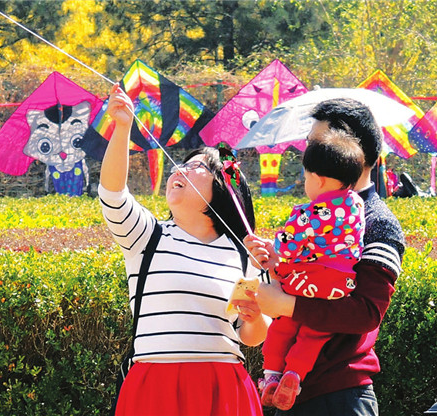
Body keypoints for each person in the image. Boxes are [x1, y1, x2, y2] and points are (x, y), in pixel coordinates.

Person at [99, 83, 269, 416]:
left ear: (221, 191)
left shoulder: (242, 254)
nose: (181, 170)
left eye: (198, 168)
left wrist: (255, 317)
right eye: (182, 165)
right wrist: (122, 128)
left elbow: (249, 336)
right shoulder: (147, 236)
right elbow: (113, 195)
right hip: (154, 387)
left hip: (223, 388)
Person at [245, 98, 406, 416]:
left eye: (314, 144)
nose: (307, 154)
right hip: (295, 395)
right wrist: (274, 263)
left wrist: (286, 305)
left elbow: (365, 313)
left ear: (346, 148)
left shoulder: (377, 220)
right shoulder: (320, 211)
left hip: (339, 395)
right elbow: (308, 275)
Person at [256, 129, 366, 410]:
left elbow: (288, 248)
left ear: (319, 179)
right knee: (314, 333)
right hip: (340, 282)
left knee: (284, 324)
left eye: (305, 177)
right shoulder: (357, 204)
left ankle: (271, 376)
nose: (305, 183)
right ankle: (295, 373)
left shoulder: (308, 213)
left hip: (307, 279)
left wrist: (274, 247)